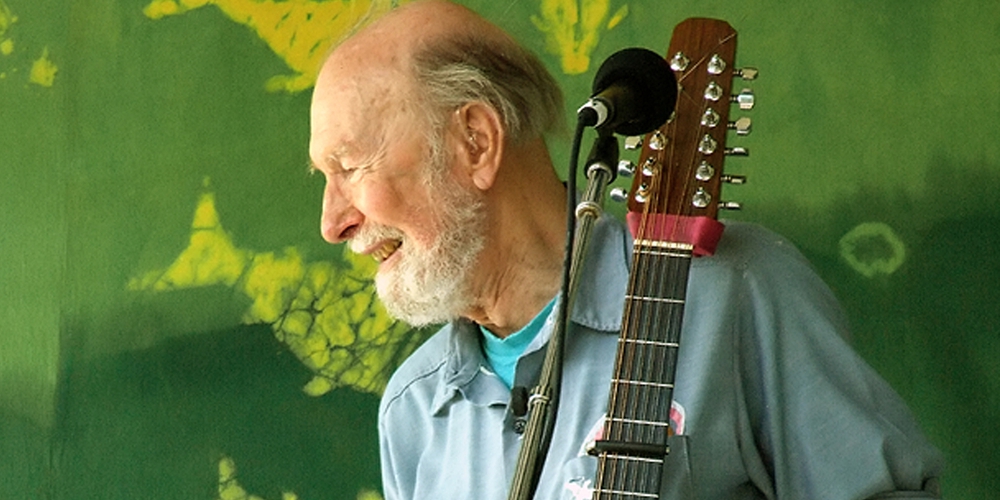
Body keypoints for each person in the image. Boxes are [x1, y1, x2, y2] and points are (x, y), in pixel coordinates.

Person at [308, 1, 944, 499]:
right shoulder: (414, 410)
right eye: (324, 179)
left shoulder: (732, 294)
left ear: (476, 142)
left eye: (351, 166)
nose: (331, 222)